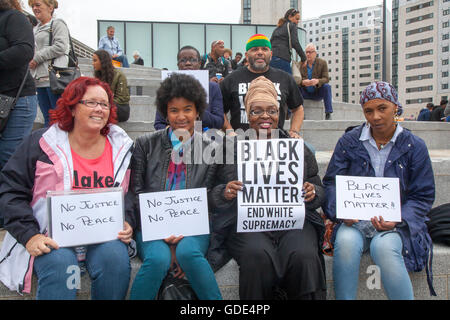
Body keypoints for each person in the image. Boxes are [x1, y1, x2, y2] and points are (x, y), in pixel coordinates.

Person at [0, 77, 134, 299]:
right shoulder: (41, 143)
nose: (99, 109)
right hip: (48, 235)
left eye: (104, 104)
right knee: (61, 266)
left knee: (115, 261)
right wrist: (30, 235)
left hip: (103, 235)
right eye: (91, 103)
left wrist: (128, 218)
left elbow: (132, 193)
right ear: (72, 107)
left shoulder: (123, 146)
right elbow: (11, 191)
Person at [322, 81, 436, 300]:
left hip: (396, 224)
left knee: (384, 247)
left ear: (395, 107)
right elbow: (331, 183)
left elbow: (422, 195)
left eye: (382, 108)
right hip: (354, 221)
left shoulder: (414, 146)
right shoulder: (349, 141)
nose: (375, 117)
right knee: (345, 243)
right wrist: (341, 210)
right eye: (369, 111)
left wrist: (399, 219)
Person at [215, 76, 326, 300]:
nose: (265, 116)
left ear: (280, 114)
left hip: (292, 221)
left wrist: (312, 193)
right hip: (247, 222)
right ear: (247, 114)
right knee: (257, 256)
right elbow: (212, 191)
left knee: (304, 255)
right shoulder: (231, 149)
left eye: (272, 111)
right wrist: (224, 192)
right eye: (257, 111)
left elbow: (317, 186)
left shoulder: (297, 147)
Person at [128, 73, 222, 300]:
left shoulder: (212, 147)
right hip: (151, 226)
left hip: (193, 227)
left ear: (198, 111)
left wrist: (181, 233)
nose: (181, 116)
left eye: (187, 109)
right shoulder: (144, 144)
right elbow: (136, 192)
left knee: (189, 252)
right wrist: (162, 232)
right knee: (158, 259)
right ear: (164, 112)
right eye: (174, 110)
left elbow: (208, 198)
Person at [220, 34, 305, 137]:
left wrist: (294, 131)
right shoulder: (231, 79)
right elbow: (219, 110)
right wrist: (230, 132)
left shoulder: (285, 78)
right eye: (255, 49)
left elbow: (298, 108)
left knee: (309, 151)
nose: (260, 52)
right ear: (246, 55)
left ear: (271, 54)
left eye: (264, 49)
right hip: (241, 143)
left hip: (274, 142)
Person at [0, 0, 38, 227]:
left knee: (8, 158)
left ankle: (12, 215)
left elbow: (24, 50)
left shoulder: (13, 18)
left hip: (17, 99)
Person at [154, 45, 224, 131]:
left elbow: (219, 122)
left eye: (193, 60)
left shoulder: (213, 88)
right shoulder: (168, 88)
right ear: (178, 65)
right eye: (183, 60)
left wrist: (197, 108)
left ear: (199, 64)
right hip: (175, 140)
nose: (188, 63)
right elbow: (159, 123)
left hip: (204, 139)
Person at [28, 0, 70, 127]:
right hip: (39, 79)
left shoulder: (57, 24)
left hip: (54, 79)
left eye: (38, 5)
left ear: (50, 7)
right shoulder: (36, 28)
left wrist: (37, 58)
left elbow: (61, 47)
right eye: (33, 6)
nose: (35, 8)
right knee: (48, 119)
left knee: (58, 119)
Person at [92, 49, 130, 122]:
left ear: (103, 61)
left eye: (95, 60)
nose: (93, 63)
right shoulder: (98, 76)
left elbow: (122, 99)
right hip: (104, 106)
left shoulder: (119, 75)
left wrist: (104, 102)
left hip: (120, 109)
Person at [299, 43, 334, 120]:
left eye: (310, 52)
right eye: (306, 52)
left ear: (315, 53)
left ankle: (328, 113)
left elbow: (326, 79)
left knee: (327, 86)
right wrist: (303, 82)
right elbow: (295, 80)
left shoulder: (322, 63)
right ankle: (301, 113)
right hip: (304, 92)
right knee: (296, 87)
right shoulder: (301, 64)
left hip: (317, 92)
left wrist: (317, 81)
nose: (308, 54)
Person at [269, 8, 306, 75]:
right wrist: (303, 58)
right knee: (288, 82)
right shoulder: (292, 25)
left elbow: (270, 44)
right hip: (283, 58)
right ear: (290, 17)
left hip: (272, 59)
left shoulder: (277, 29)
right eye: (297, 19)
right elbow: (295, 42)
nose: (298, 21)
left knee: (274, 81)